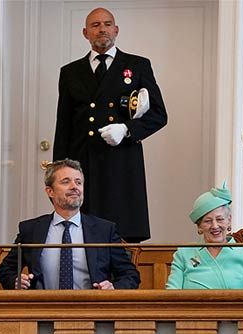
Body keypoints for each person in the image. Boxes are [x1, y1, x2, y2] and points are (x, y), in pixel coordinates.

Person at [53, 7, 167, 243]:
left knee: (121, 233)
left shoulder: (137, 65)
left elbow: (158, 114)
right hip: (83, 162)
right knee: (83, 234)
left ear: (116, 30)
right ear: (85, 33)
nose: (102, 29)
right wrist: (58, 173)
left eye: (107, 24)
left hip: (122, 163)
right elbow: (63, 125)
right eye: (95, 25)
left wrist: (127, 129)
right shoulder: (70, 72)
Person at [0, 159, 139, 290]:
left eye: (78, 182)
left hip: (93, 312)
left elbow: (130, 274)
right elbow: (6, 269)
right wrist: (15, 280)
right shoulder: (31, 230)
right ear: (50, 191)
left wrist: (113, 288)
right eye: (66, 182)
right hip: (43, 311)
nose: (74, 187)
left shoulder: (105, 230)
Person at [166, 181, 243, 289]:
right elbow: (171, 297)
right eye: (207, 221)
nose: (214, 226)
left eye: (220, 219)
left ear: (229, 220)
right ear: (199, 226)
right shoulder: (183, 255)